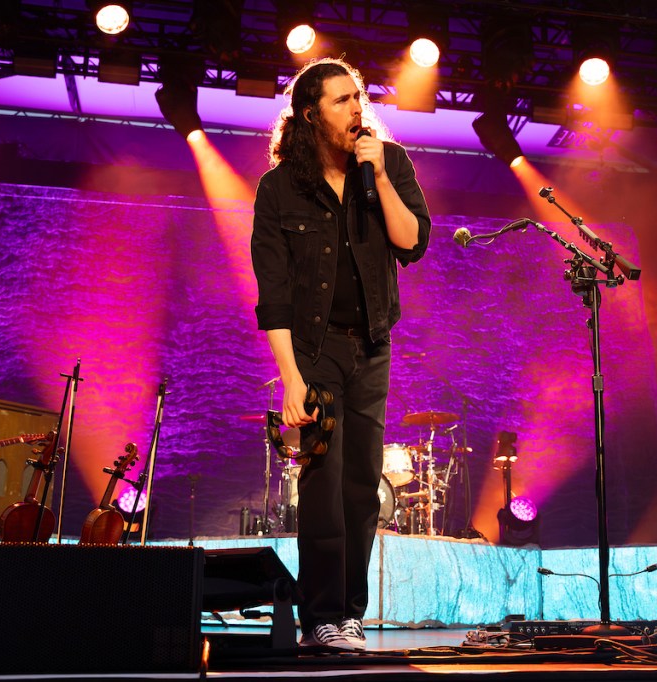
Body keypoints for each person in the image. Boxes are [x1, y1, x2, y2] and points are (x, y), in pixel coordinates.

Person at [250, 58, 430, 650]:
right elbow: (273, 294)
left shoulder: (389, 163)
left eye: (359, 98)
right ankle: (320, 617)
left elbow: (412, 242)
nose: (357, 109)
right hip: (315, 349)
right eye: (341, 101)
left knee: (362, 485)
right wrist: (290, 379)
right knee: (323, 483)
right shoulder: (280, 188)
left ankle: (350, 612)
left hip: (372, 345)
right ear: (311, 115)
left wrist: (378, 176)